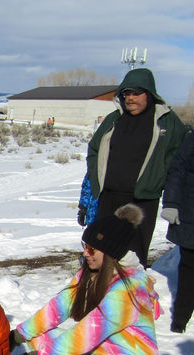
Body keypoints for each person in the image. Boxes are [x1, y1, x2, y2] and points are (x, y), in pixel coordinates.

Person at [10, 204, 160, 355]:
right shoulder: (92, 273)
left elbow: (83, 336)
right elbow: (57, 307)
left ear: (110, 252)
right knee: (39, 335)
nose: (85, 253)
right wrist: (16, 336)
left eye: (91, 248)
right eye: (84, 246)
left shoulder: (128, 291)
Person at [85, 68, 187, 267]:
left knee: (133, 253)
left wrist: (161, 183)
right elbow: (94, 150)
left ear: (149, 93)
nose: (130, 98)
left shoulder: (167, 122)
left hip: (142, 198)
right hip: (109, 196)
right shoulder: (114, 119)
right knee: (102, 248)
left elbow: (180, 159)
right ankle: (100, 292)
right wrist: (97, 181)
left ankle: (130, 293)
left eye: (136, 93)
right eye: (126, 93)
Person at [161, 131, 194, 333]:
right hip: (192, 211)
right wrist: (171, 202)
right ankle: (180, 319)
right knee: (189, 267)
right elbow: (178, 168)